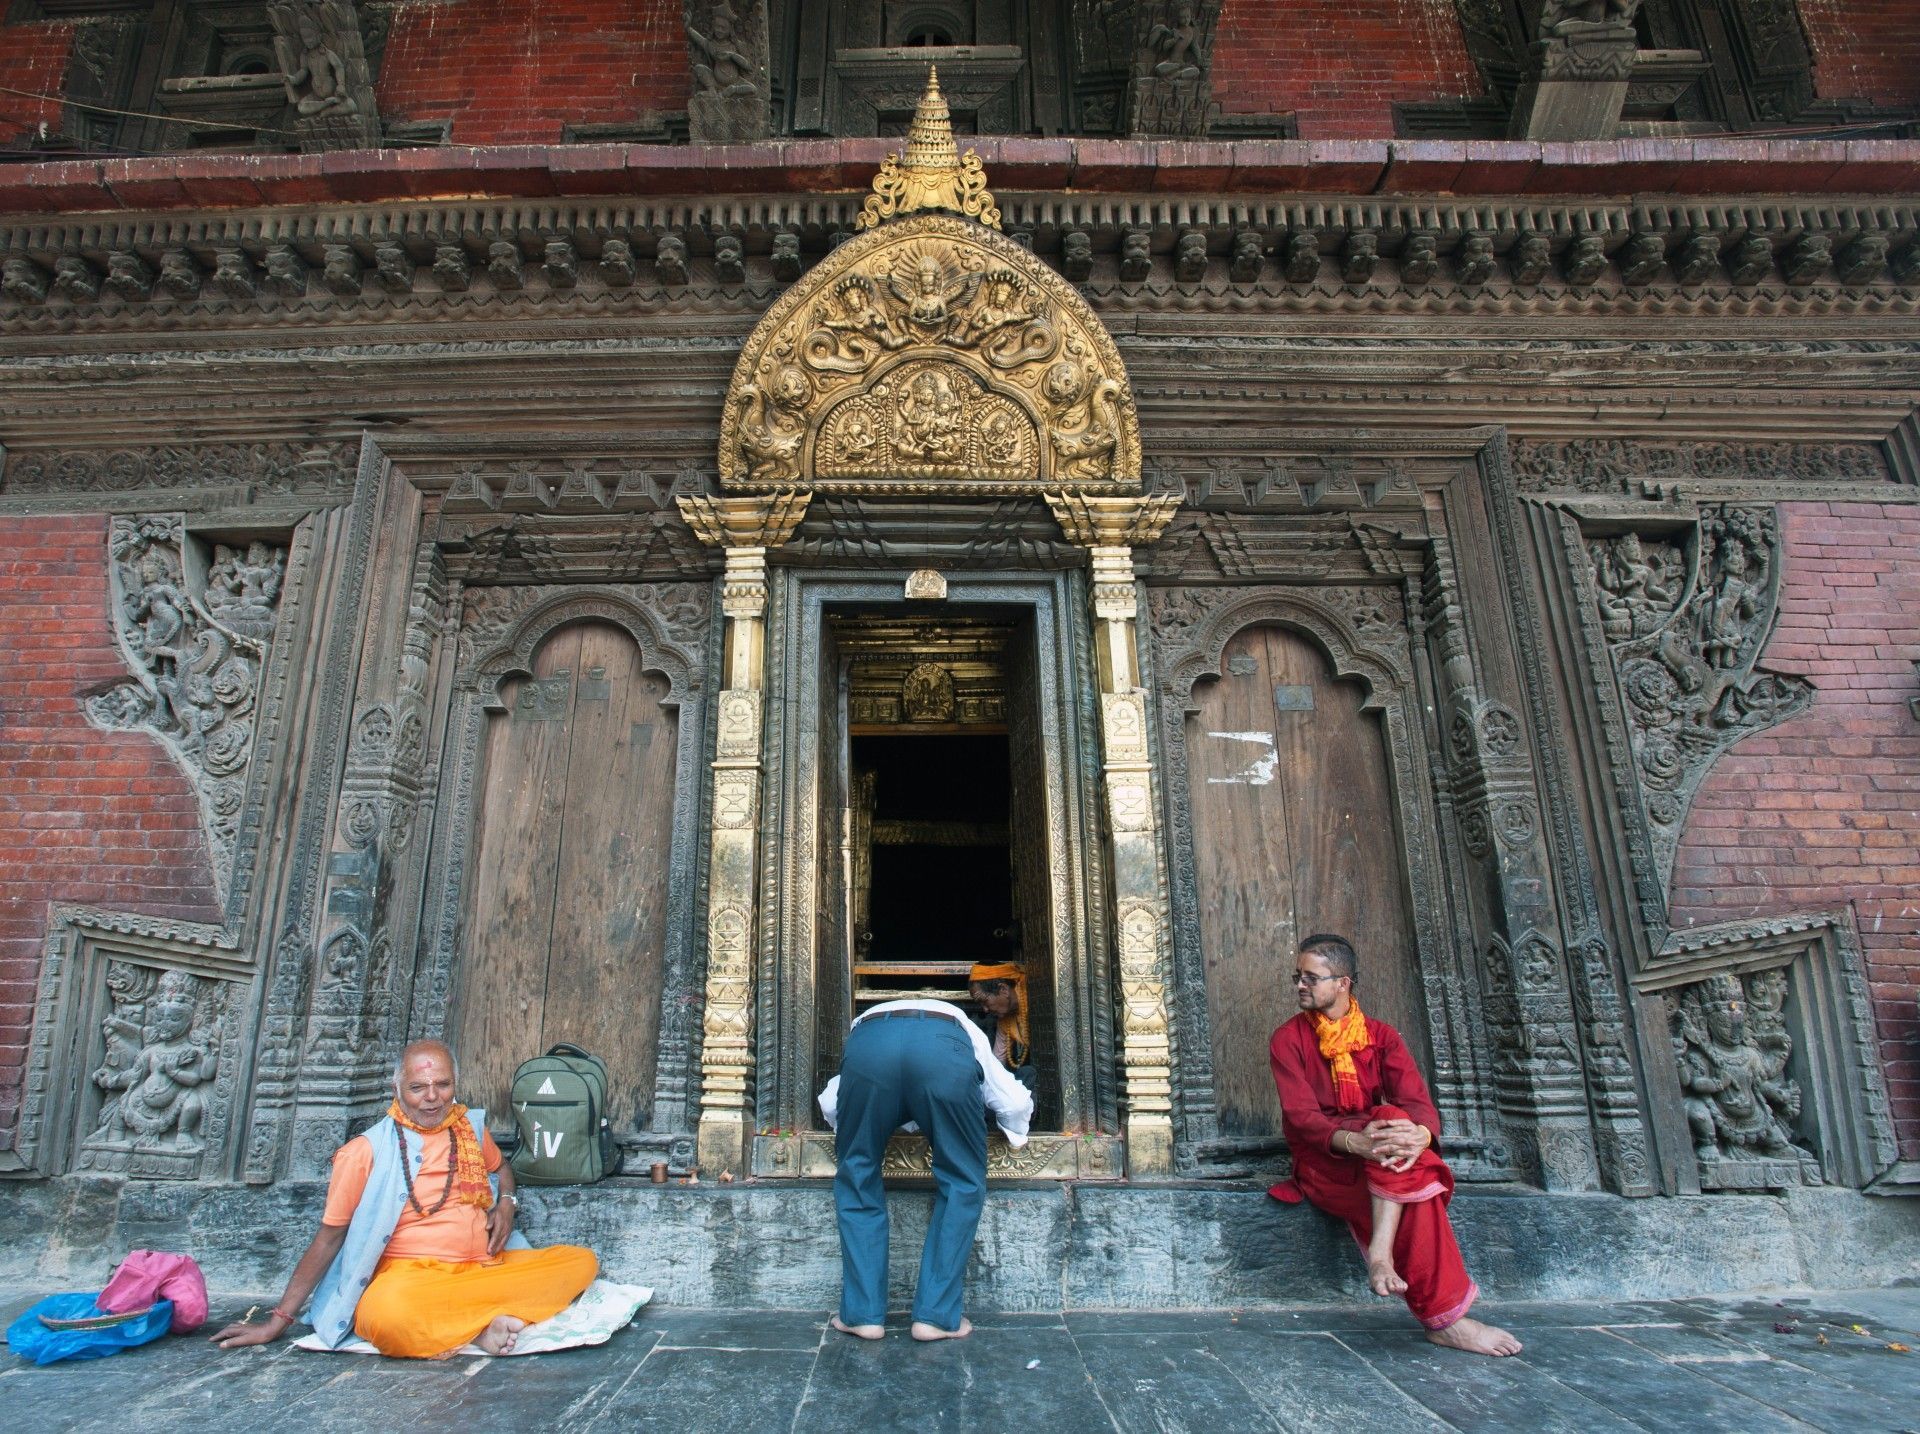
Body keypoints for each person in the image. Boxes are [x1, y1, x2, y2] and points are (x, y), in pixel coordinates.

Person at [211, 1039, 598, 1358]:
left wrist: (507, 1204)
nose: (432, 1098)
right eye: (418, 1088)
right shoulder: (364, 1152)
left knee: (580, 1262)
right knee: (387, 1314)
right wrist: (277, 1321)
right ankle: (480, 1328)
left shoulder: (467, 1129)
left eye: (443, 1085)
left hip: (482, 1268)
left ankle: (460, 1323)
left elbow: (502, 1170)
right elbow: (328, 1239)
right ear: (397, 1089)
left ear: (454, 1084)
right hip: (409, 1278)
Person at [1268, 934, 1522, 1358]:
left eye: (1311, 978)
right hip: (1326, 1159)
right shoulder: (1288, 1039)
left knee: (1396, 1123)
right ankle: (1447, 1322)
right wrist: (1359, 1144)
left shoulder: (1380, 1036)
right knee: (1417, 1183)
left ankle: (1382, 1256)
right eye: (1298, 977)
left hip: (1379, 1155)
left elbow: (1417, 1104)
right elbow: (1302, 1119)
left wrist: (1418, 1135)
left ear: (1343, 983)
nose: (1300, 985)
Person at [817, 998, 1034, 1342]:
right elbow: (1013, 1101)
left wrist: (868, 1127)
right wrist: (1016, 1135)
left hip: (868, 1051)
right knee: (963, 1180)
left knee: (856, 1175)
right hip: (942, 1054)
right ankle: (935, 1317)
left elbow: (831, 1104)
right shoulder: (961, 1024)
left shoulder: (864, 1025)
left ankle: (862, 1316)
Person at [967, 961, 1036, 1093]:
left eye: (985, 1001)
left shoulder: (1035, 998)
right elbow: (997, 1061)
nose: (985, 1009)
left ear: (1003, 989)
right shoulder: (1005, 1019)